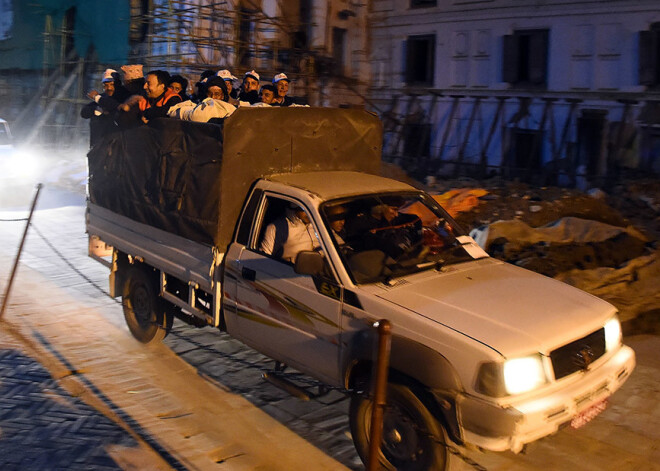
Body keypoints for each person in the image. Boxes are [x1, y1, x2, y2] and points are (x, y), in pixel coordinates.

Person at [80, 68, 130, 147]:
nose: (109, 88)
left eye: (112, 85)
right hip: (101, 144)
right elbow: (84, 112)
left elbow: (115, 106)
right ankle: (95, 148)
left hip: (121, 143)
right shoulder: (103, 97)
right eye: (106, 85)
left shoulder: (124, 96)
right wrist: (95, 110)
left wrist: (98, 99)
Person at [117, 69, 182, 127]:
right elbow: (122, 122)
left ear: (161, 86)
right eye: (145, 83)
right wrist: (125, 107)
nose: (144, 87)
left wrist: (147, 115)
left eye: (148, 83)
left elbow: (168, 114)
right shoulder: (140, 98)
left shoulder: (173, 99)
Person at [168, 75, 235, 122]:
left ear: (222, 96)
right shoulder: (198, 107)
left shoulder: (230, 109)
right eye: (210, 94)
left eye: (217, 94)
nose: (213, 98)